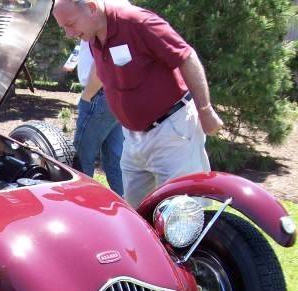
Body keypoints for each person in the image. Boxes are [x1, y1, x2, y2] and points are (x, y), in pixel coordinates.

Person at [53, 0, 224, 207]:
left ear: (91, 7)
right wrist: (86, 98)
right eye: (64, 28)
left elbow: (187, 57)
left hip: (171, 132)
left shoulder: (138, 22)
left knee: (182, 214)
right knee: (137, 214)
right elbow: (103, 68)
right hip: (133, 139)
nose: (69, 34)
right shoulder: (93, 34)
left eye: (70, 24)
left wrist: (205, 109)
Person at [65, 39, 124, 195]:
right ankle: (128, 204)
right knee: (114, 158)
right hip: (114, 95)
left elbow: (103, 61)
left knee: (82, 158)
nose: (68, 32)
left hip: (98, 95)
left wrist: (87, 97)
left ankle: (81, 202)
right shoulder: (107, 28)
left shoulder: (96, 29)